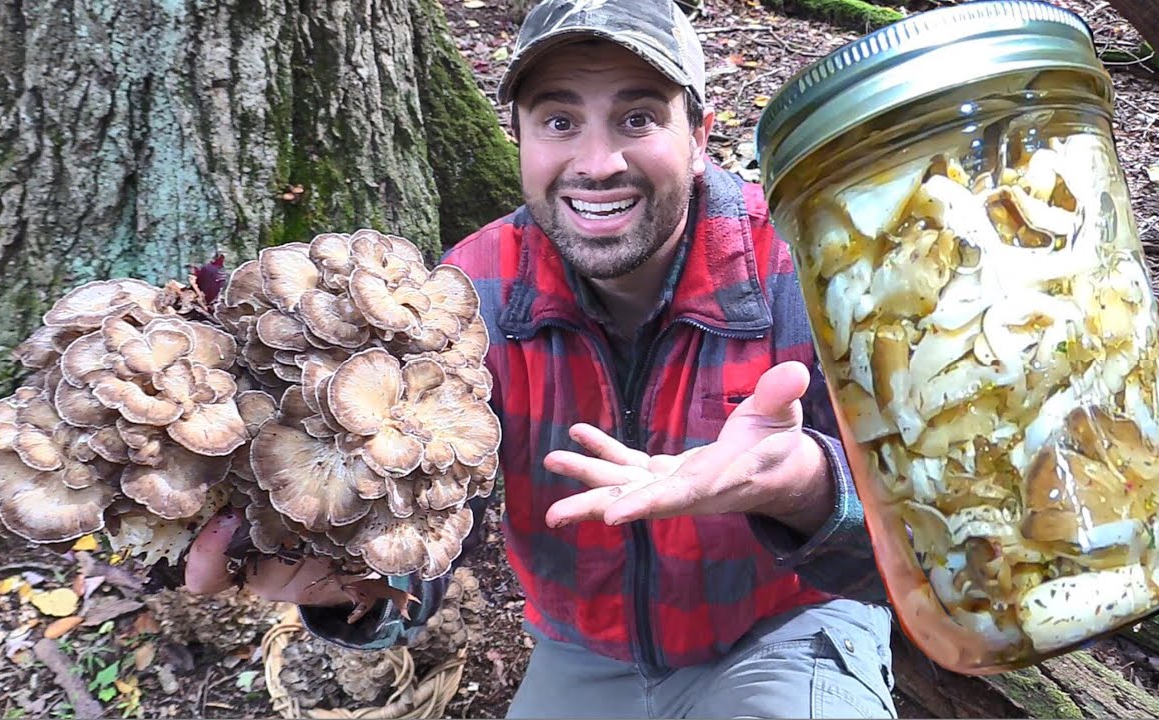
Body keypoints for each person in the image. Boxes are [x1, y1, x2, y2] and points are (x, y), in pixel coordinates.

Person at [185, 0, 896, 716]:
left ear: (701, 136)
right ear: (518, 140)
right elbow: (434, 510)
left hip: (788, 626)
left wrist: (804, 487)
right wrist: (352, 577)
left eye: (638, 118)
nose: (598, 164)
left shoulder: (810, 269)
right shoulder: (471, 289)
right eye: (559, 122)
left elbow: (939, 549)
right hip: (587, 647)